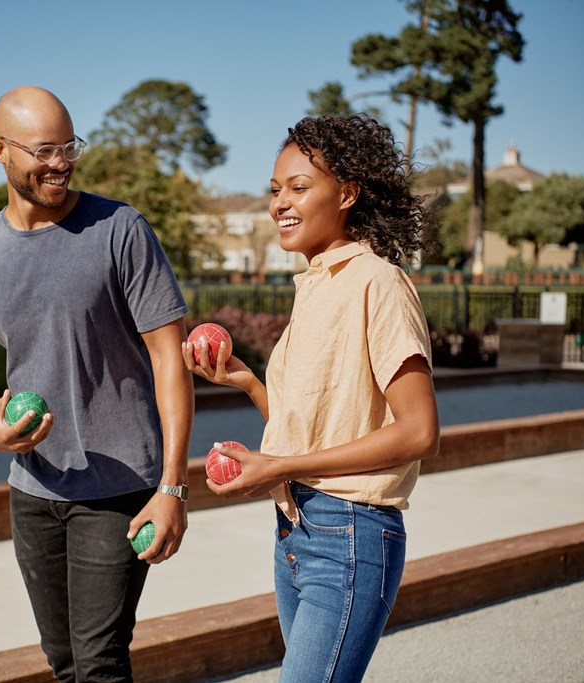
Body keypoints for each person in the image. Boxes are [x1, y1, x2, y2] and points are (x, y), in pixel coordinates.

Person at [0, 86, 194, 683]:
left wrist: (174, 489)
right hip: (33, 491)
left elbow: (169, 359)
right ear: (1, 151)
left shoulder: (120, 229)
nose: (61, 163)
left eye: (69, 146)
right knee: (63, 663)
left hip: (120, 489)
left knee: (100, 665)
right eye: (44, 150)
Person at [184, 114, 440, 683]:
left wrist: (282, 465)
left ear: (346, 194)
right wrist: (248, 382)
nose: (281, 203)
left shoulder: (377, 281)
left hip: (350, 533)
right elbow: (315, 428)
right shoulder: (316, 286)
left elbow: (420, 432)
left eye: (299, 187)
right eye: (276, 190)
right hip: (295, 531)